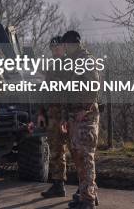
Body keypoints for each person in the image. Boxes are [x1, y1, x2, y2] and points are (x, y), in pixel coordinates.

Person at [62, 30, 100, 209]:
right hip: (74, 116)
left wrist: (85, 109)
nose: (64, 49)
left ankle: (88, 200)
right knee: (79, 158)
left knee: (85, 158)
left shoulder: (85, 60)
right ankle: (88, 193)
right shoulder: (73, 62)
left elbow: (94, 85)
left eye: (66, 46)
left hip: (85, 117)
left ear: (72, 45)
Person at [41, 35, 70, 198]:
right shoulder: (52, 66)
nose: (55, 50)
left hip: (67, 116)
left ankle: (86, 188)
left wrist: (65, 117)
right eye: (52, 48)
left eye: (57, 47)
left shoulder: (71, 65)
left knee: (78, 151)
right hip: (53, 116)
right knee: (56, 152)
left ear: (64, 48)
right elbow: (46, 92)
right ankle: (58, 185)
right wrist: (42, 113)